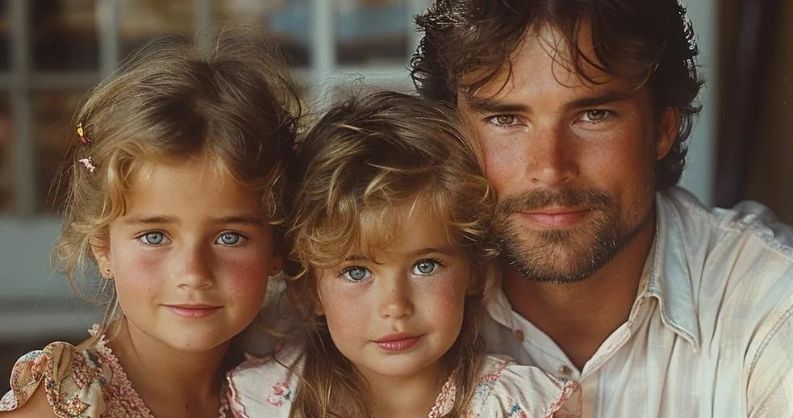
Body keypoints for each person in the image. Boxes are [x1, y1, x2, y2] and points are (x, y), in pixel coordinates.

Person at [410, 1, 793, 417]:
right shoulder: (392, 301)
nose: (551, 169)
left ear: (663, 128)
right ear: (451, 133)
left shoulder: (773, 301)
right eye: (506, 119)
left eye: (593, 115)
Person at [0, 29, 300, 418]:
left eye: (230, 237)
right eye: (155, 236)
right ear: (103, 246)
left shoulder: (285, 389)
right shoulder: (62, 408)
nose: (193, 274)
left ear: (276, 245)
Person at [226, 91, 579, 417]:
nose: (395, 306)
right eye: (356, 272)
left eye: (425, 266)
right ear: (307, 289)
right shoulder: (269, 401)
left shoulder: (514, 406)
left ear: (474, 270)